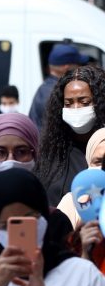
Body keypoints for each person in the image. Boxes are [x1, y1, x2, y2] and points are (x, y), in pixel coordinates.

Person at [36, 65, 105, 206]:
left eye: (84, 102)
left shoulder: (102, 149)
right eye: (68, 103)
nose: (76, 108)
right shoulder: (51, 153)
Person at [30, 43, 89, 129]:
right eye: (78, 64)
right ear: (67, 67)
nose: (80, 68)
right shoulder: (57, 92)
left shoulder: (46, 87)